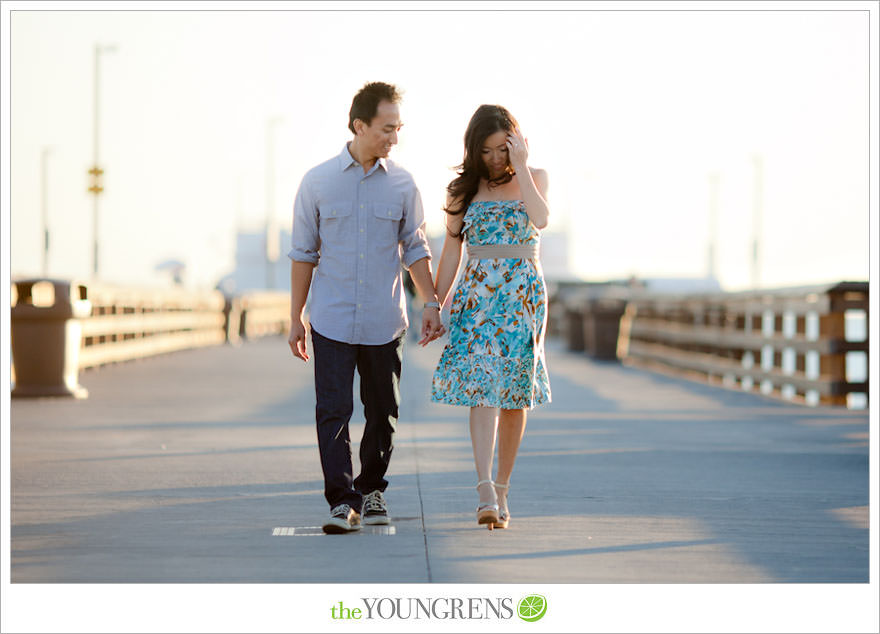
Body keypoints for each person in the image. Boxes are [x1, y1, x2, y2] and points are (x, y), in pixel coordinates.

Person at [288, 82, 446, 534]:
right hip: (332, 319)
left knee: (383, 413)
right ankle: (343, 501)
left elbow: (416, 248)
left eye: (398, 129)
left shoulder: (403, 183)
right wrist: (296, 315)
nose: (394, 138)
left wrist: (431, 301)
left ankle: (373, 489)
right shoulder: (317, 182)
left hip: (384, 320)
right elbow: (303, 253)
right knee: (332, 413)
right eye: (386, 129)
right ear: (359, 125)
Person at [430, 104, 551, 530]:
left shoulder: (535, 179)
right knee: (482, 386)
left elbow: (540, 219)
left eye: (503, 148)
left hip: (523, 296)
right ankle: (483, 488)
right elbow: (450, 253)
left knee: (515, 395)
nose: (496, 159)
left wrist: (521, 165)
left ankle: (502, 489)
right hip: (477, 297)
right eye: (487, 151)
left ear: (516, 142)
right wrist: (434, 304)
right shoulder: (462, 190)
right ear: (473, 150)